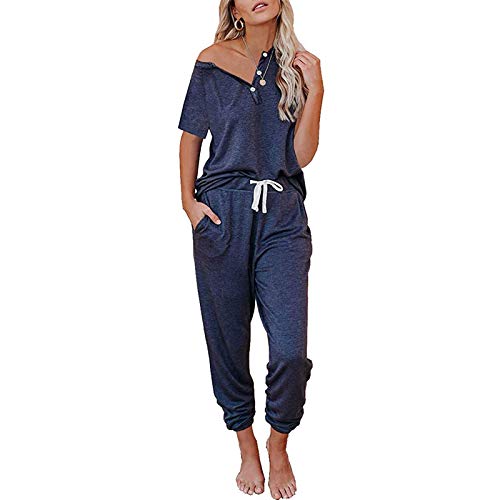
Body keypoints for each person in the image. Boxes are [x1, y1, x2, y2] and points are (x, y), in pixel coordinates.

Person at [178, 0, 323, 497]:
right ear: (234, 7)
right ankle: (245, 442)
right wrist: (189, 203)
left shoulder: (296, 66)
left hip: (282, 216)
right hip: (223, 213)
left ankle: (278, 442)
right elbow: (191, 136)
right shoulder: (212, 60)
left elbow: (299, 156)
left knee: (290, 351)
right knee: (227, 338)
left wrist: (318, 90)